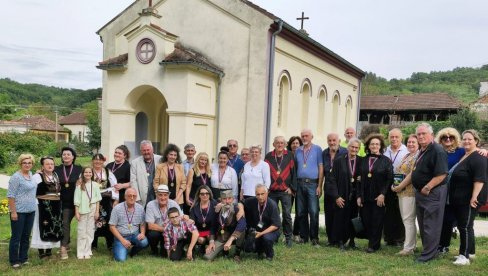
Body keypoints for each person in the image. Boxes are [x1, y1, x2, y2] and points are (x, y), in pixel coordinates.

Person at [398, 123, 448, 263]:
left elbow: (442, 174)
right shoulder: (423, 149)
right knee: (423, 224)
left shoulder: (437, 150)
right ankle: (428, 251)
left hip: (432, 192)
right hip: (421, 193)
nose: (420, 136)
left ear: (431, 135)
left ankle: (428, 256)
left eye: (423, 133)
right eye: (418, 134)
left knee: (430, 225)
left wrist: (427, 187)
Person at [449, 130, 487, 265]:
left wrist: (474, 197)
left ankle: (463, 256)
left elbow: (480, 179)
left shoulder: (478, 157)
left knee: (464, 226)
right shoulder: (466, 155)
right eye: (464, 139)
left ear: (476, 141)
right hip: (462, 197)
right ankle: (471, 252)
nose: (466, 141)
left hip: (470, 198)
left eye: (469, 139)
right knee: (467, 225)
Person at [357, 134, 393, 253]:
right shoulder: (363, 160)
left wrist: (383, 194)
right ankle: (371, 241)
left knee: (376, 221)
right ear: (368, 146)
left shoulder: (386, 160)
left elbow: (389, 179)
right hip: (365, 196)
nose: (374, 146)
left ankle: (373, 245)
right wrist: (359, 196)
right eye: (372, 144)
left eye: (377, 144)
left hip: (378, 196)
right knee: (366, 220)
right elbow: (359, 179)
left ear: (381, 146)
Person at [327, 138, 363, 250]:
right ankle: (340, 241)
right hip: (342, 195)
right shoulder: (339, 160)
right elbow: (332, 180)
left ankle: (352, 241)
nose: (354, 149)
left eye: (356, 147)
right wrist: (336, 197)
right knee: (341, 218)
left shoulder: (362, 161)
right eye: (352, 147)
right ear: (348, 147)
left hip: (355, 196)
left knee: (353, 217)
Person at [264, 136, 296, 247]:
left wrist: (291, 187)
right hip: (272, 191)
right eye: (277, 143)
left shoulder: (290, 155)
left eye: (282, 143)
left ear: (285, 144)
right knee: (274, 215)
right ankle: (275, 236)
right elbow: (265, 173)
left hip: (285, 191)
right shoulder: (268, 156)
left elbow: (294, 172)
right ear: (273, 144)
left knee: (287, 215)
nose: (280, 144)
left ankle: (288, 237)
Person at [391, 134, 419, 256]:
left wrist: (400, 186)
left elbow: (412, 175)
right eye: (409, 142)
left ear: (418, 144)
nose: (411, 144)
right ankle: (412, 245)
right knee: (407, 220)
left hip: (410, 192)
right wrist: (394, 185)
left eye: (413, 142)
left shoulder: (418, 156)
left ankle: (408, 248)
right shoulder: (407, 155)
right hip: (402, 192)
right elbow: (399, 172)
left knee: (408, 220)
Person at [8, 154, 37, 268]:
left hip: (31, 211)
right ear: (20, 164)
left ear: (32, 164)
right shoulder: (16, 177)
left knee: (26, 236)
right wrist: (13, 212)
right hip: (19, 211)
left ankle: (23, 258)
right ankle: (14, 260)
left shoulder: (31, 175)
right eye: (25, 163)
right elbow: (11, 196)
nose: (27, 165)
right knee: (16, 237)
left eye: (29, 163)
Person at [295, 129, 323, 247]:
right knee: (301, 212)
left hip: (312, 184)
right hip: (300, 184)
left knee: (313, 211)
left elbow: (321, 167)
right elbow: (295, 167)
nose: (304, 138)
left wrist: (319, 185)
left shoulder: (317, 149)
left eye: (306, 136)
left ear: (312, 136)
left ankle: (314, 238)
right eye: (302, 136)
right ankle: (304, 237)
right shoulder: (298, 150)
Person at [31, 156, 62, 259]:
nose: (50, 166)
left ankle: (49, 250)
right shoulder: (37, 176)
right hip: (42, 205)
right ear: (42, 166)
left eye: (52, 164)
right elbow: (32, 192)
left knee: (54, 225)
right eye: (47, 164)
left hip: (55, 205)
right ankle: (41, 252)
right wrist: (36, 204)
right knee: (41, 226)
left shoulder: (56, 175)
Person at [55, 146, 82, 260]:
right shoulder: (56, 169)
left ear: (73, 157)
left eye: (68, 154)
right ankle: (64, 247)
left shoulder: (79, 169)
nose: (65, 156)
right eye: (64, 154)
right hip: (63, 201)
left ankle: (68, 244)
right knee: (65, 223)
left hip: (76, 201)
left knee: (68, 223)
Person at [204, 190, 246, 262]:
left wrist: (231, 239)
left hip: (234, 236)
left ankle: (237, 253)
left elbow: (242, 224)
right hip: (222, 236)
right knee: (207, 256)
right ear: (220, 200)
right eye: (224, 199)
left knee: (242, 231)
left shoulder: (237, 209)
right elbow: (213, 226)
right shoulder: (217, 210)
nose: (227, 201)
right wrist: (211, 242)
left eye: (229, 198)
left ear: (232, 199)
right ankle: (224, 251)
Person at [109, 188, 149, 262]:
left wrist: (143, 233)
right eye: (129, 196)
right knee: (121, 259)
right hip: (121, 236)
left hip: (135, 234)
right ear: (125, 197)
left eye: (134, 196)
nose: (132, 198)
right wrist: (122, 240)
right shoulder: (117, 208)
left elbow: (143, 223)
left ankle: (132, 251)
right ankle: (120, 247)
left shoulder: (140, 208)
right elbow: (112, 227)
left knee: (144, 242)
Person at [322, 133, 347, 246]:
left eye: (334, 140)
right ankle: (331, 239)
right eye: (330, 140)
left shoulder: (345, 152)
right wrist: (319, 186)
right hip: (328, 188)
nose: (332, 143)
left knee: (340, 214)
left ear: (339, 141)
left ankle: (340, 239)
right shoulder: (324, 153)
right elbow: (321, 171)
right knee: (329, 214)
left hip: (340, 188)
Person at [383, 128, 407, 246]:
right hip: (387, 182)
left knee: (400, 211)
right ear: (388, 138)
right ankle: (388, 238)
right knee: (388, 212)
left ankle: (399, 239)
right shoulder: (385, 151)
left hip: (401, 182)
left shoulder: (406, 150)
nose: (394, 139)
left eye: (396, 137)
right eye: (392, 137)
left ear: (401, 138)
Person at [244, 184, 281, 260]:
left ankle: (269, 255)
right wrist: (241, 209)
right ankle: (260, 250)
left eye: (262, 194)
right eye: (258, 194)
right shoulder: (252, 201)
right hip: (259, 229)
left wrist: (261, 233)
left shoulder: (272, 205)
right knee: (248, 248)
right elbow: (240, 202)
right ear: (255, 194)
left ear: (267, 193)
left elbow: (276, 225)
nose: (260, 196)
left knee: (266, 238)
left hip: (272, 230)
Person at [145, 184, 182, 257]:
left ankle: (165, 248)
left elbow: (180, 218)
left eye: (165, 195)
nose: (163, 197)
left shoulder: (173, 203)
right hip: (158, 231)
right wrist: (166, 229)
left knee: (164, 255)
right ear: (156, 195)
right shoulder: (150, 205)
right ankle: (154, 249)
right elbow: (150, 225)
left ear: (168, 195)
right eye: (160, 195)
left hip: (170, 233)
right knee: (152, 234)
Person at [91, 153, 118, 251]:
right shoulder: (89, 172)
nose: (98, 161)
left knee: (107, 220)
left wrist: (116, 199)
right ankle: (93, 244)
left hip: (106, 200)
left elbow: (115, 186)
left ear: (103, 161)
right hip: (92, 200)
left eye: (100, 160)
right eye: (96, 159)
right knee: (93, 220)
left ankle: (110, 243)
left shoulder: (107, 172)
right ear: (92, 161)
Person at [74, 167, 102, 259]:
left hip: (93, 208)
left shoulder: (95, 185)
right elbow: (77, 200)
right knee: (82, 230)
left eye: (90, 172)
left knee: (90, 230)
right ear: (83, 173)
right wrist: (77, 212)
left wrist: (97, 211)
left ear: (92, 174)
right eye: (86, 172)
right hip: (82, 209)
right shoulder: (79, 185)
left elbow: (98, 199)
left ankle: (87, 250)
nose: (88, 174)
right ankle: (80, 251)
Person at [154, 143, 186, 209]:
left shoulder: (180, 167)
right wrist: (161, 196)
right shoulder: (159, 167)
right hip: (163, 200)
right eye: (171, 154)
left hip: (178, 200)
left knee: (176, 218)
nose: (173, 157)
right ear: (167, 155)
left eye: (175, 155)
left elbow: (183, 184)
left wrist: (177, 198)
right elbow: (156, 183)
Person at [130, 140, 162, 207]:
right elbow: (133, 181)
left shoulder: (160, 160)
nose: (146, 152)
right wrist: (137, 198)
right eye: (144, 150)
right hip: (142, 198)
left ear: (152, 149)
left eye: (148, 150)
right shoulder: (135, 162)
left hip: (158, 196)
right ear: (141, 151)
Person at [189, 185, 218, 256]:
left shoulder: (215, 204)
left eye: (207, 193)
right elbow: (193, 223)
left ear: (209, 194)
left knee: (209, 237)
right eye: (202, 194)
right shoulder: (194, 206)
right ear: (199, 195)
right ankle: (201, 247)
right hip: (200, 231)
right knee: (201, 240)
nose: (205, 195)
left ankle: (209, 246)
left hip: (212, 230)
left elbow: (215, 224)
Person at [286, 135, 302, 241]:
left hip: (300, 186)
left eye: (297, 143)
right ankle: (287, 233)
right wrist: (290, 187)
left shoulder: (302, 154)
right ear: (290, 145)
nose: (295, 145)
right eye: (293, 143)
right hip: (290, 187)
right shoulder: (287, 156)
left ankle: (296, 233)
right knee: (287, 211)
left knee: (299, 211)